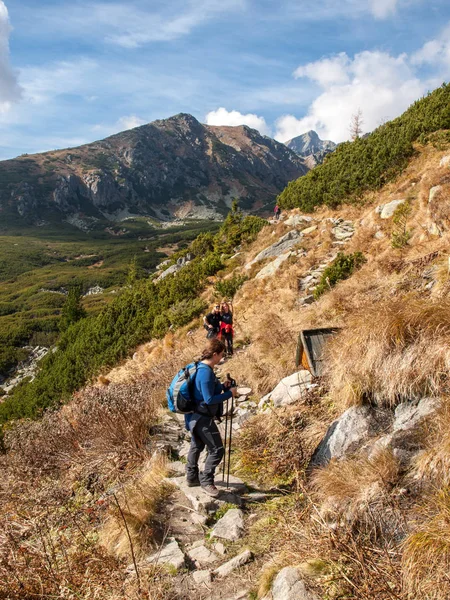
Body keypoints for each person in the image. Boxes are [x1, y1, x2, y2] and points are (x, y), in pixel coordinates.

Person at [185, 339, 237, 497]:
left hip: (194, 416)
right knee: (217, 449)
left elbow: (203, 391)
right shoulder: (206, 372)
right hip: (203, 418)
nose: (222, 358)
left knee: (196, 446)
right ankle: (207, 482)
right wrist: (230, 394)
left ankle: (191, 477)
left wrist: (223, 387)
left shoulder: (200, 367)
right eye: (221, 355)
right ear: (215, 354)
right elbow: (208, 399)